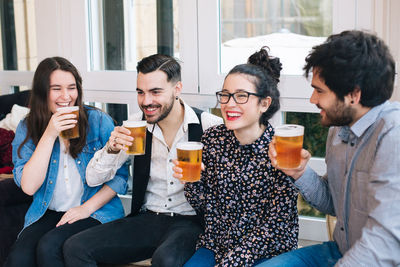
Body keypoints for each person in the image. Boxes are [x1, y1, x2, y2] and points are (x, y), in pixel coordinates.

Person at [63, 54, 223, 267]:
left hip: (190, 221)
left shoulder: (210, 126)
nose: (146, 101)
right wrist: (111, 149)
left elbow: (225, 194)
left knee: (166, 260)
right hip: (147, 218)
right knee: (75, 247)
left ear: (177, 89)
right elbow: (92, 179)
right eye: (141, 92)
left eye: (155, 92)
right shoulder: (135, 125)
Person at [257, 30, 400, 266]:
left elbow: (385, 241)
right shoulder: (339, 128)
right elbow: (334, 203)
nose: (313, 100)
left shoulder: (392, 135)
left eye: (320, 90)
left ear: (354, 94)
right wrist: (299, 173)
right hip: (340, 250)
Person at [172, 48, 299, 267]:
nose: (229, 104)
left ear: (264, 104)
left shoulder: (282, 149)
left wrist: (233, 261)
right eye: (225, 95)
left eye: (241, 96)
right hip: (217, 244)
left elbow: (277, 226)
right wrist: (190, 183)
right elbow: (205, 206)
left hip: (267, 251)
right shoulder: (213, 138)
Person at [4, 57, 128, 267]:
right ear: (43, 92)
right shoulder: (27, 126)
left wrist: (85, 209)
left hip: (94, 210)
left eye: (72, 88)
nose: (66, 96)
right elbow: (29, 186)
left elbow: (121, 179)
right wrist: (50, 133)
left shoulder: (98, 121)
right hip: (47, 211)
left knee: (50, 247)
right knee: (18, 259)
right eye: (56, 88)